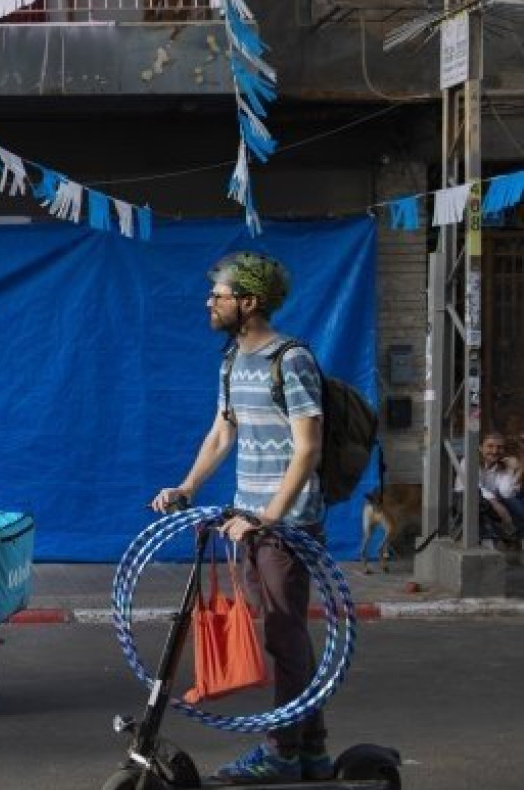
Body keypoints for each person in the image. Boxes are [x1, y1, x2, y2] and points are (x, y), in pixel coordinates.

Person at [151, 251, 332, 784]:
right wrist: (186, 486)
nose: (210, 301)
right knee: (285, 635)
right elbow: (221, 433)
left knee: (283, 634)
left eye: (220, 295)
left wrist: (268, 518)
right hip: (248, 520)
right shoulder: (232, 360)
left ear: (249, 302)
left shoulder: (291, 359)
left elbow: (308, 449)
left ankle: (282, 751)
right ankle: (313, 751)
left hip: (287, 525)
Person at [475, 432, 523, 546]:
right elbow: (475, 487)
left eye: (499, 447)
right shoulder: (469, 462)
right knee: (480, 501)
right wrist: (494, 502)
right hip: (469, 500)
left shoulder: (502, 465)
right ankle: (489, 540)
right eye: (490, 446)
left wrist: (514, 469)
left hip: (496, 503)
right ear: (481, 448)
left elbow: (506, 492)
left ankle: (519, 537)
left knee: (516, 502)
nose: (495, 451)